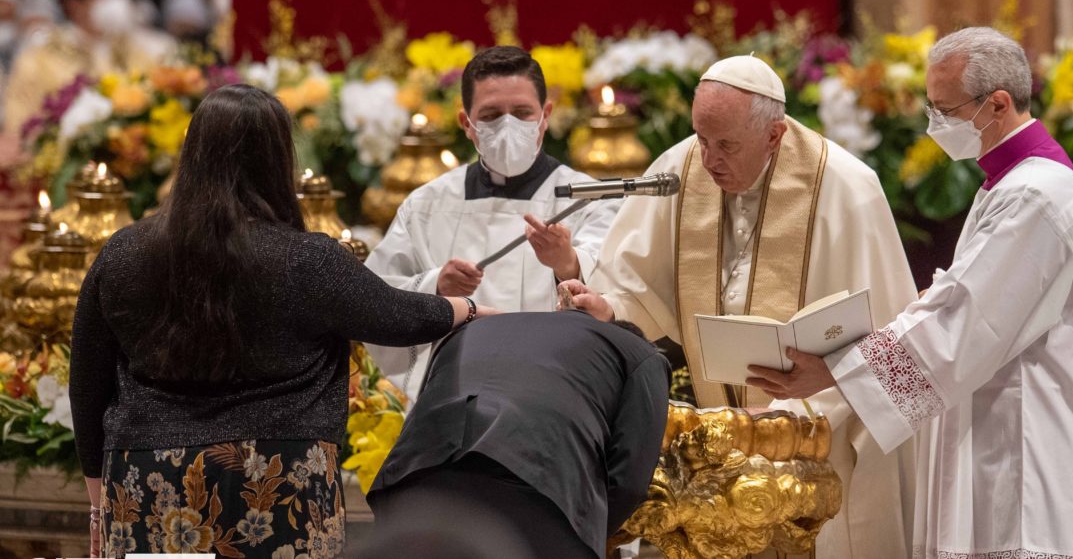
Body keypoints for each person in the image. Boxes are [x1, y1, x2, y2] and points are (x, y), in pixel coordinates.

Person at [747, 27, 1073, 557]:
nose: (935, 124)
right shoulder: (1011, 184)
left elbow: (964, 322)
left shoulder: (1035, 195)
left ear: (997, 104)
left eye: (945, 110)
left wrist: (837, 370)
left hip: (1025, 439)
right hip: (1000, 423)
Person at [69, 84, 496, 558]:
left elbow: (87, 383)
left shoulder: (123, 253)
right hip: (277, 481)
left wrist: (98, 505)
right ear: (278, 159)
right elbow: (396, 317)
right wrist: (468, 308)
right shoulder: (306, 260)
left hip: (148, 481)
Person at [561, 55, 918, 558]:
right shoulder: (681, 168)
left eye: (726, 145)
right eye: (701, 138)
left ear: (774, 135)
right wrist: (608, 307)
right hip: (716, 439)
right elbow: (638, 284)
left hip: (818, 434)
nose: (709, 159)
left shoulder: (846, 187)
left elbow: (887, 336)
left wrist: (793, 408)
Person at [364, 45, 621, 403]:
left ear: (545, 115)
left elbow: (626, 298)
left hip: (556, 394)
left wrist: (567, 263)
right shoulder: (426, 205)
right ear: (466, 124)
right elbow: (374, 300)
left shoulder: (590, 199)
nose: (507, 126)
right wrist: (435, 287)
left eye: (522, 113)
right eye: (491, 115)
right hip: (453, 395)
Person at [361, 310, 671, 559]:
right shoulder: (641, 354)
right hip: (535, 484)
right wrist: (587, 531)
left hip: (412, 479)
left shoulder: (473, 329)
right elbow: (630, 479)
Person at [3, 0, 175, 139]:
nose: (117, 1)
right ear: (74, 3)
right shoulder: (40, 58)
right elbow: (21, 125)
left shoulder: (133, 51)